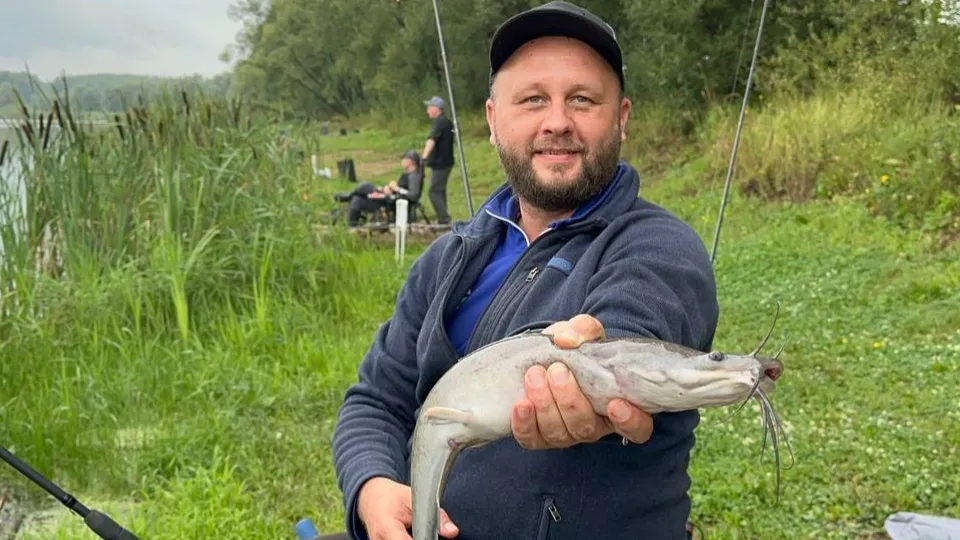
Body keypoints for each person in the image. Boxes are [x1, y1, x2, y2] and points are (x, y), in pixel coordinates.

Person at [329, 2, 719, 539]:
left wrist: (595, 365)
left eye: (582, 99)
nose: (557, 121)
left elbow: (631, 330)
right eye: (533, 99)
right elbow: (375, 401)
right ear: (493, 121)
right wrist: (371, 487)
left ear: (622, 118)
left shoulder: (660, 247)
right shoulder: (444, 260)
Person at [335, 150, 424, 227]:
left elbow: (414, 195)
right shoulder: (408, 174)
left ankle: (348, 196)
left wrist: (397, 189)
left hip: (392, 202)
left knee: (364, 185)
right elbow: (404, 190)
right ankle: (352, 225)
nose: (402, 162)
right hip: (390, 198)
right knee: (357, 200)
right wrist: (391, 188)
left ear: (409, 161)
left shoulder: (414, 176)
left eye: (403, 159)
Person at [420, 96, 454, 225]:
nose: (427, 110)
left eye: (429, 107)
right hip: (446, 162)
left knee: (433, 192)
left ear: (437, 109)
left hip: (441, 163)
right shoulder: (446, 122)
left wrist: (424, 157)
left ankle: (444, 218)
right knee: (440, 190)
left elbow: (431, 140)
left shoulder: (439, 123)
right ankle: (443, 217)